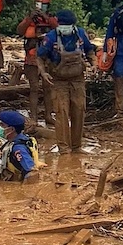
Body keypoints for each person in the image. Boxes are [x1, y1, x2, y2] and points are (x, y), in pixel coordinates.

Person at [37, 10, 96, 152]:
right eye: (62, 24)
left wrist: (94, 63)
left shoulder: (81, 34)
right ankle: (63, 148)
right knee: (61, 112)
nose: (65, 27)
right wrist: (43, 72)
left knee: (79, 110)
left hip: (78, 80)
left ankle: (77, 146)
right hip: (58, 81)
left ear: (73, 24)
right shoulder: (50, 38)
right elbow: (40, 57)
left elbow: (89, 50)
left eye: (67, 24)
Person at [16, 0, 59, 124]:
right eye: (39, 4)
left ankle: (48, 115)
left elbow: (57, 27)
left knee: (48, 87)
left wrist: (45, 17)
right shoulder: (29, 19)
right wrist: (30, 18)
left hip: (48, 58)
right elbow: (19, 31)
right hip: (32, 58)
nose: (41, 7)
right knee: (34, 88)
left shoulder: (52, 18)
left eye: (44, 5)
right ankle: (33, 117)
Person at [0, 110, 41, 182]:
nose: (0, 127)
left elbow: (32, 172)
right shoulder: (19, 139)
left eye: (2, 125)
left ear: (11, 129)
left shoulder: (18, 148)